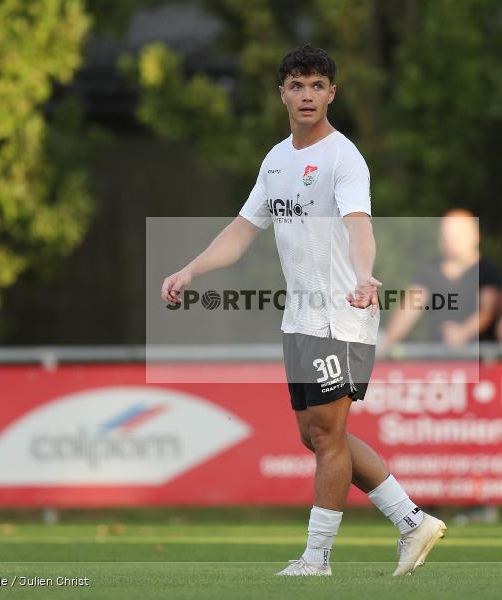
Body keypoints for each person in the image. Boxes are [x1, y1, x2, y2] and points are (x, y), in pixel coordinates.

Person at [161, 45, 445, 577]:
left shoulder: (343, 158)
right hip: (300, 318)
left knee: (328, 436)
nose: (307, 94)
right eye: (297, 85)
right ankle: (411, 520)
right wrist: (190, 270)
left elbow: (360, 223)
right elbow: (243, 230)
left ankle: (317, 559)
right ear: (283, 94)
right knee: (313, 435)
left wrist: (365, 275)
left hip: (341, 314)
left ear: (331, 93)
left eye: (317, 85)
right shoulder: (276, 160)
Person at [381, 209, 502, 350]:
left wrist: (463, 332)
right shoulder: (429, 271)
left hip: (483, 363)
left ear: (475, 236)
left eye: (456, 235)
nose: (449, 240)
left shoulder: (487, 272)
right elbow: (409, 309)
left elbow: (487, 311)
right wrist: (386, 342)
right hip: (440, 361)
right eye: (445, 234)